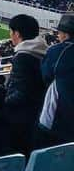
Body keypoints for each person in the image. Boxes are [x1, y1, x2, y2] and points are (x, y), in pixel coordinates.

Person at [6, 14, 47, 154]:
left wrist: (2, 102)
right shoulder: (43, 52)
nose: (10, 35)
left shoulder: (23, 56)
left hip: (23, 119)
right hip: (38, 115)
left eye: (11, 32)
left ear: (17, 33)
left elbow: (21, 93)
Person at [40, 12, 73, 144]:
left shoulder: (58, 51)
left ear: (65, 34)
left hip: (59, 116)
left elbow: (46, 76)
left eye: (59, 33)